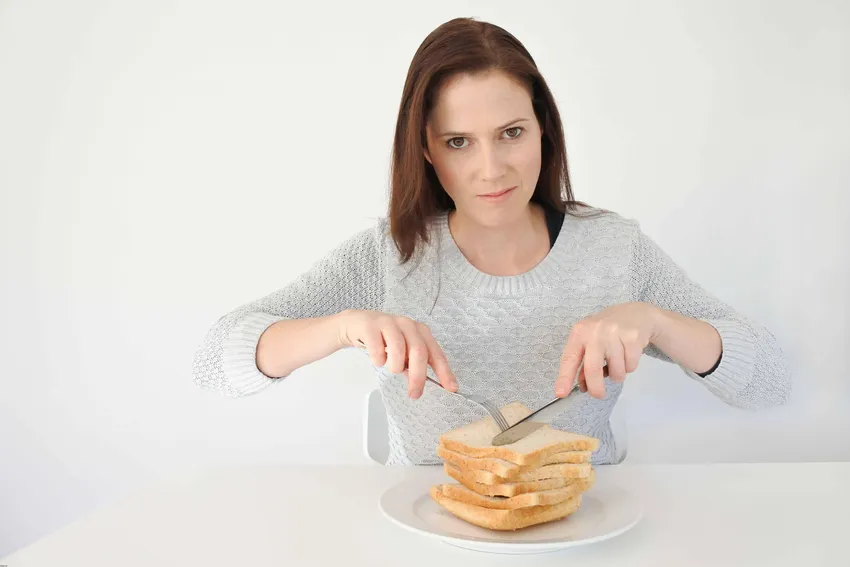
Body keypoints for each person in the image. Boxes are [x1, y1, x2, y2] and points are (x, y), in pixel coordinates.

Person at [192, 17, 791, 466]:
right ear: (424, 150)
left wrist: (657, 321)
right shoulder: (386, 256)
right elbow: (214, 364)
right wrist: (341, 327)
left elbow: (768, 382)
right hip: (423, 529)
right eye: (458, 142)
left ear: (544, 131)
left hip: (584, 525)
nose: (491, 169)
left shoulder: (615, 250)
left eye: (511, 133)